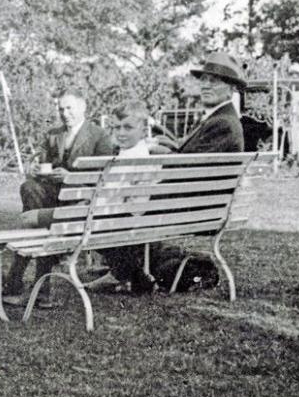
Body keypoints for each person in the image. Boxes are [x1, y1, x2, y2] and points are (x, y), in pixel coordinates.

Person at [99, 51, 246, 293]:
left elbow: (187, 168)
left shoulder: (222, 123)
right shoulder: (222, 118)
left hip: (193, 209)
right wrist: (171, 147)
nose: (206, 85)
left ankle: (126, 272)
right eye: (204, 79)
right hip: (199, 205)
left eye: (214, 81)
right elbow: (196, 159)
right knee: (120, 198)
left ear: (231, 88)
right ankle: (125, 270)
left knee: (110, 202)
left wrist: (159, 153)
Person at [0, 89, 115, 307]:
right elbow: (40, 163)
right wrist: (34, 168)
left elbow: (103, 177)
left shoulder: (100, 136)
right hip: (49, 198)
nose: (64, 113)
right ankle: (38, 289)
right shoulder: (53, 134)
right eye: (61, 108)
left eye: (69, 108)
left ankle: (16, 282)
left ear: (83, 107)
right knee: (30, 188)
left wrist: (73, 177)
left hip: (77, 203)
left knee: (36, 220)